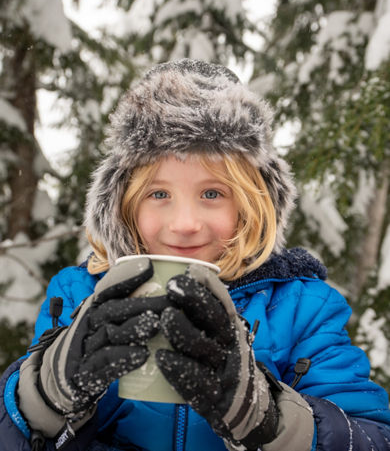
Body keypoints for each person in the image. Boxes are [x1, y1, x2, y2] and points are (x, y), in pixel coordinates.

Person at [0, 59, 389, 451]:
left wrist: (268, 419)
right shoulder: (78, 294)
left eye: (212, 194)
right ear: (123, 206)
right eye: (159, 194)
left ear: (250, 204)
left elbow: (370, 437)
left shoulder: (302, 308)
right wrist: (45, 394)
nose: (185, 224)